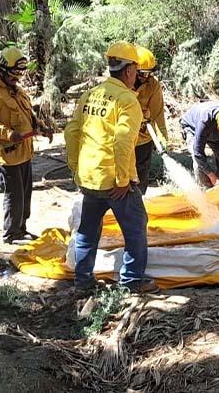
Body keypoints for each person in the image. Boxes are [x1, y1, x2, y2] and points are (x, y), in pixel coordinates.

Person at [64, 41, 157, 294]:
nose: (137, 76)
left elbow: (72, 131)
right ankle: (131, 281)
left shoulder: (90, 95)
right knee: (136, 228)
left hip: (90, 178)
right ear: (129, 71)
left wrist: (76, 168)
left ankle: (82, 282)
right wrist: (123, 179)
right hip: (115, 182)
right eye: (136, 71)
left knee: (87, 231)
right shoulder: (127, 100)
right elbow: (123, 139)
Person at [0, 47, 52, 244]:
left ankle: (21, 229)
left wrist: (40, 127)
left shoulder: (17, 90)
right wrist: (9, 134)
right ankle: (11, 234)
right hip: (4, 155)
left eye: (19, 74)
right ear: (1, 70)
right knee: (14, 194)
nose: (16, 78)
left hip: (23, 152)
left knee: (25, 194)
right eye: (13, 74)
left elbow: (28, 114)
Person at [179, 102, 219, 188]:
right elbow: (198, 153)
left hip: (214, 131)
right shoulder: (204, 121)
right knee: (199, 164)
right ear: (218, 125)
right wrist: (212, 176)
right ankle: (205, 190)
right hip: (192, 128)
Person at [132, 46, 168, 194]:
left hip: (143, 138)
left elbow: (158, 113)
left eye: (149, 73)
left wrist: (162, 137)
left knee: (141, 174)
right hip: (123, 138)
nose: (145, 77)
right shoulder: (120, 84)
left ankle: (138, 203)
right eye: (141, 73)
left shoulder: (153, 85)